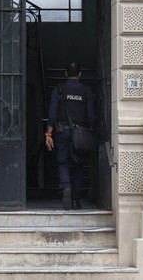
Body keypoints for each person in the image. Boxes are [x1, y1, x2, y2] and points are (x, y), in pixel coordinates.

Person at [45, 62, 95, 210]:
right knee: (79, 165)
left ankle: (66, 186)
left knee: (62, 162)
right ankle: (76, 200)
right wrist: (91, 130)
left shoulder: (59, 89)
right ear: (80, 74)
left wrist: (48, 134)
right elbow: (91, 115)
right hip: (80, 133)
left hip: (62, 131)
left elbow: (52, 114)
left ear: (65, 73)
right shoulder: (86, 90)